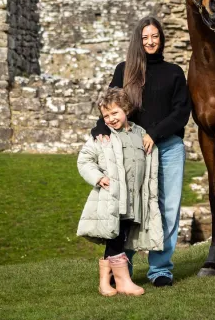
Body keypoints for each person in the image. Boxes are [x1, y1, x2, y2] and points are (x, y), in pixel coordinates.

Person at [91, 16, 191, 287]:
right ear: (139, 39)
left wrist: (154, 134)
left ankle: (160, 269)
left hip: (168, 147)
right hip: (132, 150)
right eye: (145, 37)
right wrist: (99, 129)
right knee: (132, 209)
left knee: (168, 208)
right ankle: (123, 269)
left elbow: (182, 112)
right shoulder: (125, 70)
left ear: (162, 39)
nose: (150, 41)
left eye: (155, 36)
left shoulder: (174, 72)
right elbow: (110, 103)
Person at [77, 87, 163, 297]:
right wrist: (98, 177)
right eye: (106, 116)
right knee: (115, 237)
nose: (110, 119)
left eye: (114, 113)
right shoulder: (103, 137)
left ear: (126, 109)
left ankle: (105, 283)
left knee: (120, 236)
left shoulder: (140, 134)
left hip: (134, 199)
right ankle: (123, 282)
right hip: (113, 198)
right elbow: (84, 160)